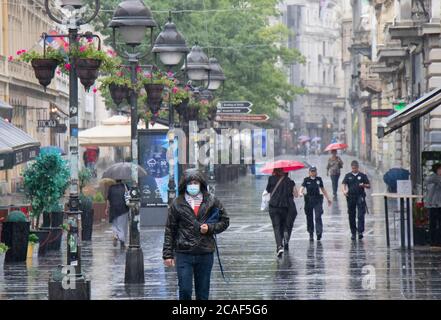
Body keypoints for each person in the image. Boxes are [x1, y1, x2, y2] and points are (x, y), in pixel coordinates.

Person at [163, 169, 229, 300]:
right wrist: (167, 254)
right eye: (190, 182)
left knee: (203, 293)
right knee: (185, 290)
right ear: (185, 184)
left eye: (196, 182)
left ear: (201, 184)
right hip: (183, 253)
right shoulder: (177, 203)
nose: (193, 185)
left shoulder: (212, 200)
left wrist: (210, 228)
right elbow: (170, 229)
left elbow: (225, 220)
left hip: (204, 253)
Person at [266, 168, 298, 257]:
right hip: (285, 207)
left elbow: (268, 190)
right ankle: (285, 235)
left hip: (273, 206)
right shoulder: (289, 181)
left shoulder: (271, 179)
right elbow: (296, 194)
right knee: (283, 225)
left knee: (276, 227)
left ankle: (279, 246)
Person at [299, 167, 332, 241]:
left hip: (317, 200)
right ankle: (311, 233)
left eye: (314, 171)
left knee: (318, 216)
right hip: (308, 200)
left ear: (316, 172)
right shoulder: (306, 180)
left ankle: (318, 232)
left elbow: (323, 189)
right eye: (311, 171)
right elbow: (302, 187)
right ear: (309, 172)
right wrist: (300, 192)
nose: (313, 173)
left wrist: (328, 198)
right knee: (309, 217)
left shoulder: (319, 179)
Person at [341, 160, 371, 240]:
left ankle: (360, 231)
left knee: (361, 214)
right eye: (353, 168)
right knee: (351, 215)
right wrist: (344, 191)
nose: (354, 169)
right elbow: (344, 184)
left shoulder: (362, 175)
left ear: (358, 167)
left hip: (360, 196)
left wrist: (363, 185)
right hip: (350, 197)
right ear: (351, 167)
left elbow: (368, 185)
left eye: (355, 168)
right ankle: (353, 232)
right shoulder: (348, 175)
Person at [105, 179, 129, 249]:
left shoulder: (111, 188)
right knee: (122, 226)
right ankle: (122, 242)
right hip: (123, 209)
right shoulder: (125, 186)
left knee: (115, 224)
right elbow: (129, 196)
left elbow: (108, 199)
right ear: (121, 180)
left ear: (115, 180)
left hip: (113, 209)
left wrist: (107, 208)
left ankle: (115, 236)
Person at [425, 163, 441, 247]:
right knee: (435, 224)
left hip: (433, 205)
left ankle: (433, 242)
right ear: (437, 170)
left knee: (433, 224)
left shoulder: (432, 177)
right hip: (436, 205)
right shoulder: (436, 178)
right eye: (440, 169)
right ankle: (436, 242)